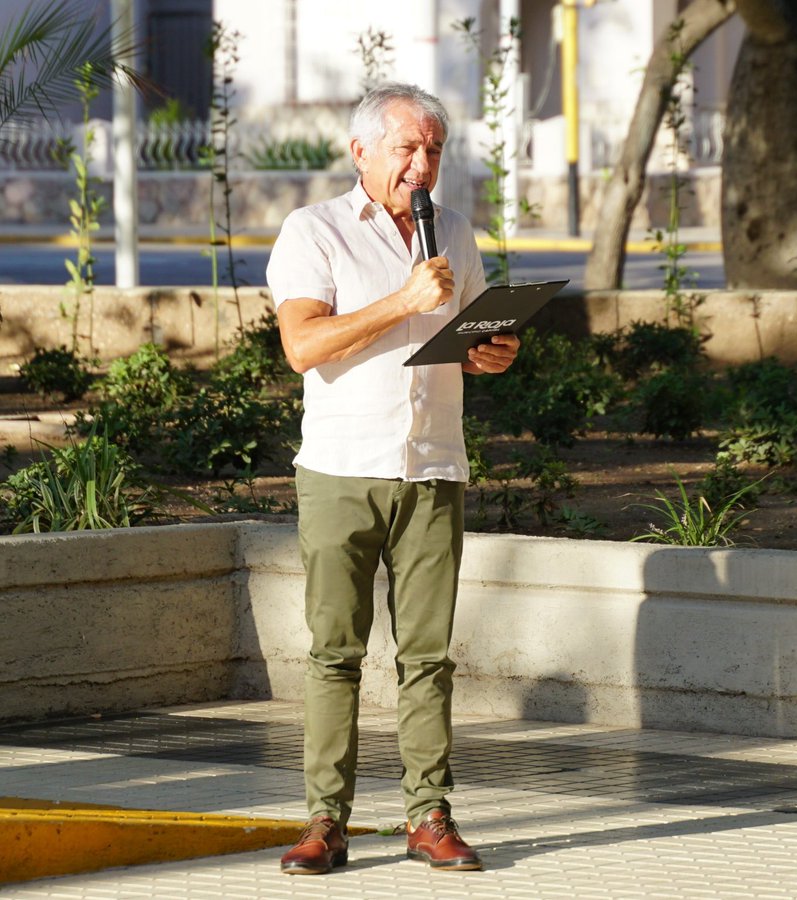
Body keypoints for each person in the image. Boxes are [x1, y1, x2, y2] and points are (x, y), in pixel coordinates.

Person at [266, 82, 519, 875]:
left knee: (428, 657)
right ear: (363, 151)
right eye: (408, 148)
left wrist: (496, 351)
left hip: (434, 466)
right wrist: (402, 299)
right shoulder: (315, 232)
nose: (422, 164)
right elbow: (303, 346)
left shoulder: (457, 234)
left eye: (434, 150)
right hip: (342, 470)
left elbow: (477, 328)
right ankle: (324, 821)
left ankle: (429, 815)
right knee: (335, 652)